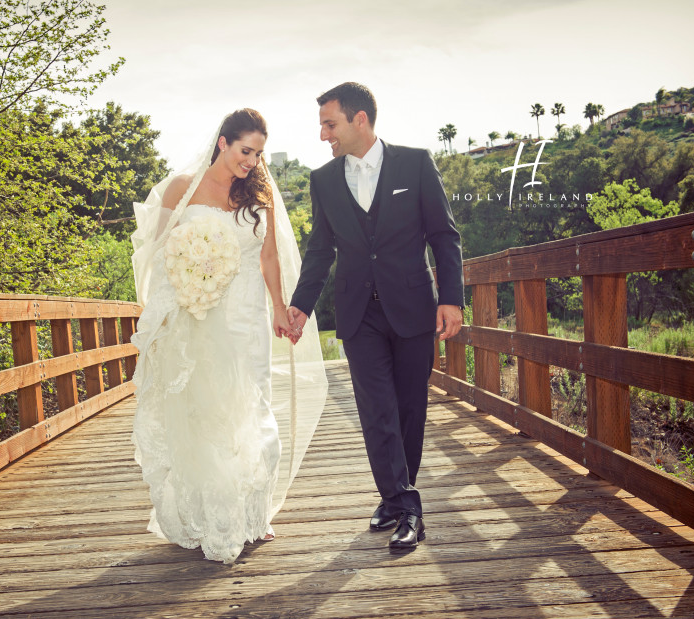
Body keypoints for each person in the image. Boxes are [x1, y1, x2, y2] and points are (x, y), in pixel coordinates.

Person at [129, 109, 327, 564]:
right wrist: (177, 295)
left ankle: (252, 515)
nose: (252, 162)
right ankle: (206, 519)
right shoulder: (182, 189)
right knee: (203, 412)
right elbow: (160, 255)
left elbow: (270, 259)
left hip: (245, 318)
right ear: (222, 143)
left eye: (258, 154)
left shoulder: (259, 193)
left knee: (252, 409)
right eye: (245, 151)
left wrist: (279, 306)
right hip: (195, 315)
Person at [288, 83, 464, 550]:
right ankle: (408, 508)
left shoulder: (416, 163)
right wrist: (301, 305)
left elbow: (444, 236)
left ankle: (392, 495)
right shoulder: (323, 180)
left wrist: (452, 297)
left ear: (359, 119)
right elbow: (320, 250)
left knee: (409, 409)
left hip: (412, 307)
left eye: (331, 124)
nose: (324, 133)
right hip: (357, 312)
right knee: (377, 409)